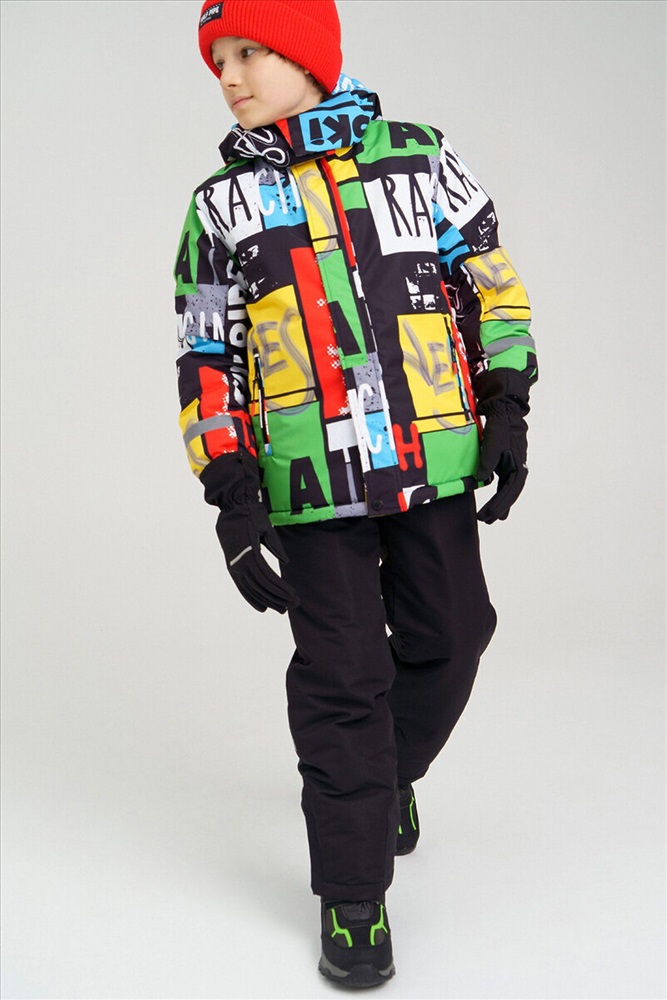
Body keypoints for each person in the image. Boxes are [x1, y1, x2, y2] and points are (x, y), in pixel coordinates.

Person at [174, 0, 537, 988]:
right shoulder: (219, 207)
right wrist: (231, 492)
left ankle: (386, 776)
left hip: (429, 460)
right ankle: (351, 891)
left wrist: (506, 401)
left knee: (454, 634)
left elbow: (490, 282)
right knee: (341, 681)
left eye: (249, 51)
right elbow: (205, 356)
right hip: (307, 482)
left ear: (308, 54)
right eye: (217, 58)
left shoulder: (417, 158)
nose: (228, 75)